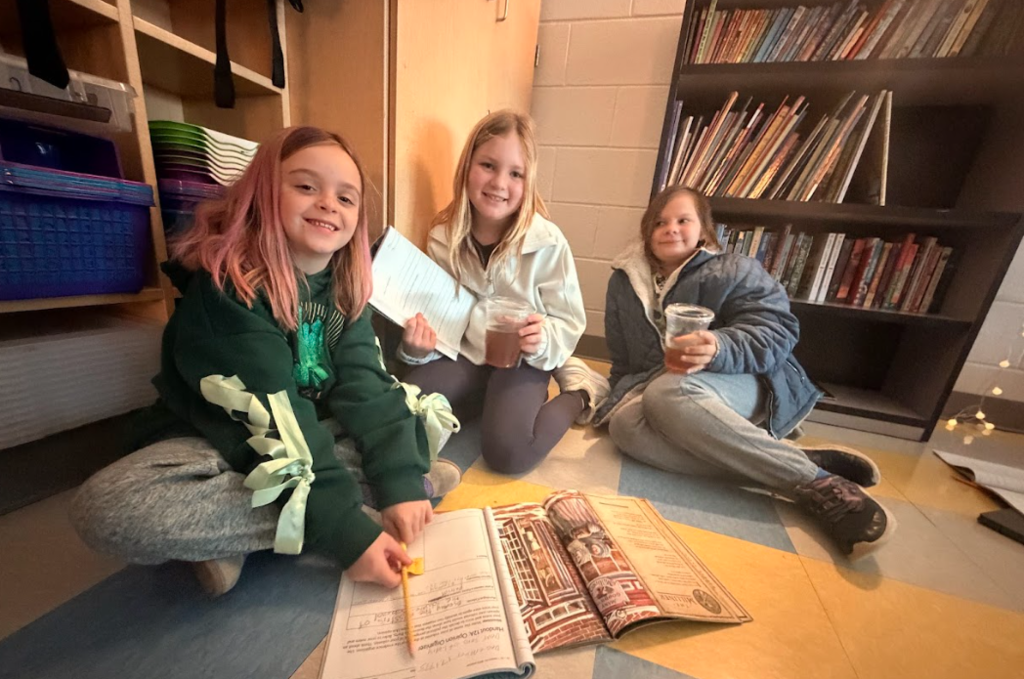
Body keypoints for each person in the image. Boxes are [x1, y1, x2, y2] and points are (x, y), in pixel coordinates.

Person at [70, 126, 461, 596]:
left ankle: (240, 537)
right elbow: (274, 420)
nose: (328, 204)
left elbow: (367, 388)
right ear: (261, 196)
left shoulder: (346, 288)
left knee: (418, 418)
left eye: (346, 197)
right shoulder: (229, 289)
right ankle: (356, 499)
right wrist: (347, 536)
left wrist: (396, 475)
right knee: (109, 508)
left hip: (305, 438)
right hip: (215, 439)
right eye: (305, 186)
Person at [595, 185, 896, 560]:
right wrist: (608, 401)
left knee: (666, 394)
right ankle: (781, 459)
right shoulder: (623, 283)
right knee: (625, 427)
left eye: (683, 220)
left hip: (752, 382)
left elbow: (777, 331)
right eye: (660, 222)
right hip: (671, 393)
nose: (671, 228)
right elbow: (623, 361)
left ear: (704, 231)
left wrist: (718, 347)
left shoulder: (734, 268)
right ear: (646, 232)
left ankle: (817, 484)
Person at [397, 110, 609, 474]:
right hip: (466, 354)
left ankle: (581, 391)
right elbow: (433, 318)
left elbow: (570, 320)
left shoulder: (547, 243)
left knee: (508, 454)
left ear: (528, 183)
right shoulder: (441, 238)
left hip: (522, 358)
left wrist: (542, 341)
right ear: (467, 168)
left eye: (515, 174)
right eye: (488, 166)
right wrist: (414, 351)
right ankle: (493, 401)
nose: (499, 182)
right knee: (407, 407)